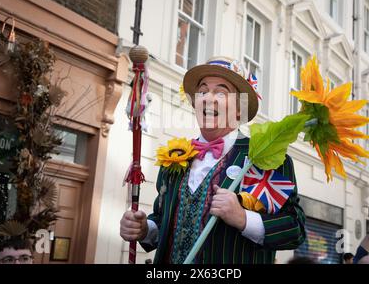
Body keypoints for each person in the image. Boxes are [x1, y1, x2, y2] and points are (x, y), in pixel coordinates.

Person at [120, 57, 306, 263]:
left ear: (239, 108)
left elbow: (295, 229)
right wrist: (145, 229)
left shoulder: (266, 159)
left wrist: (243, 219)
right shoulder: (173, 158)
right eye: (202, 91)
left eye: (221, 92)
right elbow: (162, 218)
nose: (208, 98)